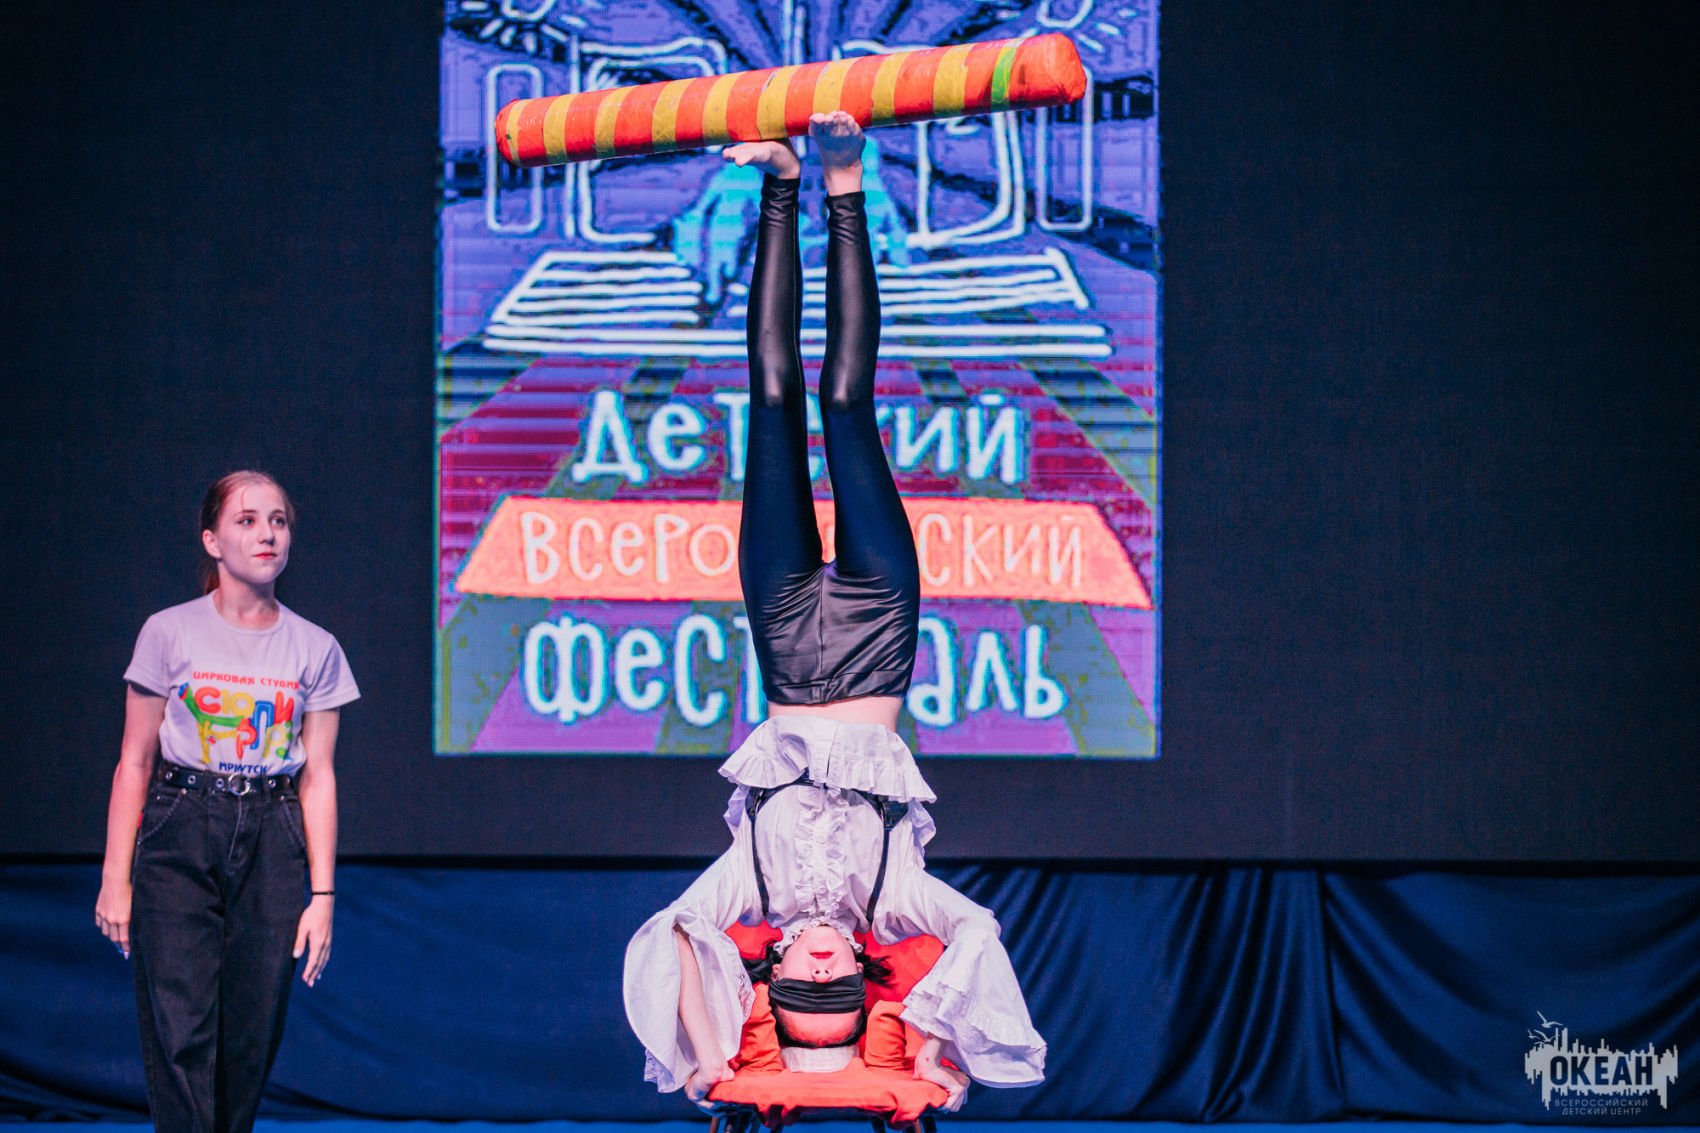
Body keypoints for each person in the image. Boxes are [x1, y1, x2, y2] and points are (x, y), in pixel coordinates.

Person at [623, 113, 1046, 1113]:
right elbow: (976, 931)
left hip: (785, 641)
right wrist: (931, 1053)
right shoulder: (894, 896)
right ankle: (844, 183)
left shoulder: (753, 887)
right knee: (846, 403)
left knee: (771, 400)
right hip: (874, 634)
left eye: (799, 983)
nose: (817, 962)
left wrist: (705, 1059)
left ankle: (779, 181)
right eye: (835, 983)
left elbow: (672, 932)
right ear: (860, 964)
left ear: (773, 968)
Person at [94, 471, 359, 1133]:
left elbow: (319, 776)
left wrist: (323, 896)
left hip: (273, 832)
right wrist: (115, 877)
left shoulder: (316, 647)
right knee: (179, 1026)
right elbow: (134, 761)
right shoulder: (168, 632)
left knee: (251, 1031)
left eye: (278, 520)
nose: (267, 533)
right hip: (181, 824)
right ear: (212, 539)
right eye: (247, 520)